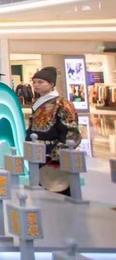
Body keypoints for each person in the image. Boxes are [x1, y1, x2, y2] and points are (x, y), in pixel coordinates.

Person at [27, 67, 80, 195]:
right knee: (39, 191)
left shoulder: (62, 104)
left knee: (57, 190)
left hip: (52, 154)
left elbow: (71, 132)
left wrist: (57, 154)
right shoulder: (38, 103)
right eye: (34, 82)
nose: (36, 85)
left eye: (40, 82)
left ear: (51, 84)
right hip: (37, 153)